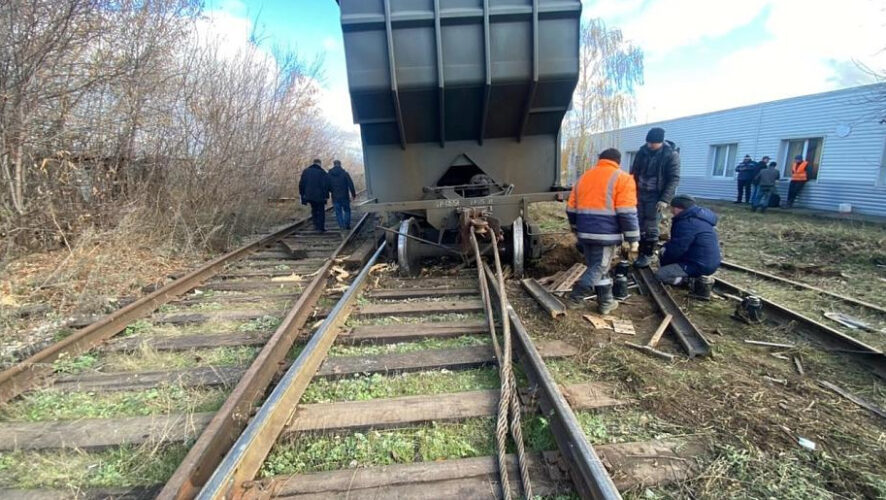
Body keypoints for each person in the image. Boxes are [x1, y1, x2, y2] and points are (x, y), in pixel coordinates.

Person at [566, 148, 640, 314]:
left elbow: (571, 208)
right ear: (618, 162)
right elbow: (627, 212)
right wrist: (633, 240)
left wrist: (576, 229)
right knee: (599, 267)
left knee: (598, 268)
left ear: (600, 159)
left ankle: (606, 302)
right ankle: (575, 298)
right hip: (606, 234)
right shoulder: (623, 178)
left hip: (584, 233)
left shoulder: (584, 177)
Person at [629, 127, 680, 268]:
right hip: (639, 193)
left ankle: (648, 254)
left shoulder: (671, 155)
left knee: (651, 225)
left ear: (661, 142)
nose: (650, 145)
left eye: (653, 143)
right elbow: (634, 172)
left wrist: (665, 199)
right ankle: (638, 250)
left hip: (656, 195)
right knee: (637, 222)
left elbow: (674, 178)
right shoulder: (642, 152)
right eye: (648, 142)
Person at [655, 195, 721, 300]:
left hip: (698, 264)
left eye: (672, 208)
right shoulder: (699, 217)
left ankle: (690, 282)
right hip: (706, 260)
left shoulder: (686, 223)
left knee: (661, 275)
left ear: (678, 208)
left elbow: (677, 249)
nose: (671, 211)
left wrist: (664, 257)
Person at [299, 158, 330, 232]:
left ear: (313, 163)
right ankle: (320, 228)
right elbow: (326, 185)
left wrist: (302, 194)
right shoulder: (322, 172)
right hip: (320, 196)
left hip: (309, 195)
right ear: (319, 163)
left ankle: (315, 225)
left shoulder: (306, 171)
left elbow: (301, 184)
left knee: (314, 209)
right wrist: (326, 196)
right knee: (321, 211)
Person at [327, 160, 357, 230]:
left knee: (338, 212)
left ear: (334, 164)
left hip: (335, 196)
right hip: (345, 196)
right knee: (347, 210)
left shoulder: (329, 175)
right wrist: (353, 194)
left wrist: (330, 192)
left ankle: (341, 226)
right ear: (340, 164)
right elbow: (351, 184)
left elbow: (327, 185)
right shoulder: (345, 173)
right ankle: (347, 225)